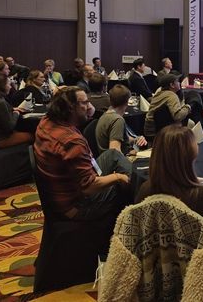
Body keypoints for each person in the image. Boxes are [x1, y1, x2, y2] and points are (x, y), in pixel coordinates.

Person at [34, 86, 132, 221]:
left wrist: (83, 105)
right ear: (71, 108)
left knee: (113, 154)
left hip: (64, 190)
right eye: (85, 102)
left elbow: (89, 110)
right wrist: (118, 177)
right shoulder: (71, 142)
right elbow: (89, 187)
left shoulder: (46, 121)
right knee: (126, 188)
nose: (89, 106)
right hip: (77, 206)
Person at [135, 124, 203, 250]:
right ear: (192, 155)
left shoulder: (145, 190)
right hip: (197, 260)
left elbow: (138, 233)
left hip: (156, 256)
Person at [0, 74, 35, 149]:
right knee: (32, 135)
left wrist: (12, 109)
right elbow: (10, 127)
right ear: (2, 86)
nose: (10, 87)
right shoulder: (0, 102)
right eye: (9, 84)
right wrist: (16, 113)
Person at [96, 84, 147, 155]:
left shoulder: (105, 115)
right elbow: (114, 153)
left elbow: (120, 137)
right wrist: (133, 153)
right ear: (127, 102)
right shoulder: (117, 120)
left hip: (105, 158)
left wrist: (135, 139)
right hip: (118, 159)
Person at [143, 73, 191, 138]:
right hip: (157, 132)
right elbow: (178, 116)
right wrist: (188, 107)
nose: (179, 83)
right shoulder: (171, 95)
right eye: (177, 81)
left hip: (149, 129)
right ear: (172, 85)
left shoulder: (159, 93)